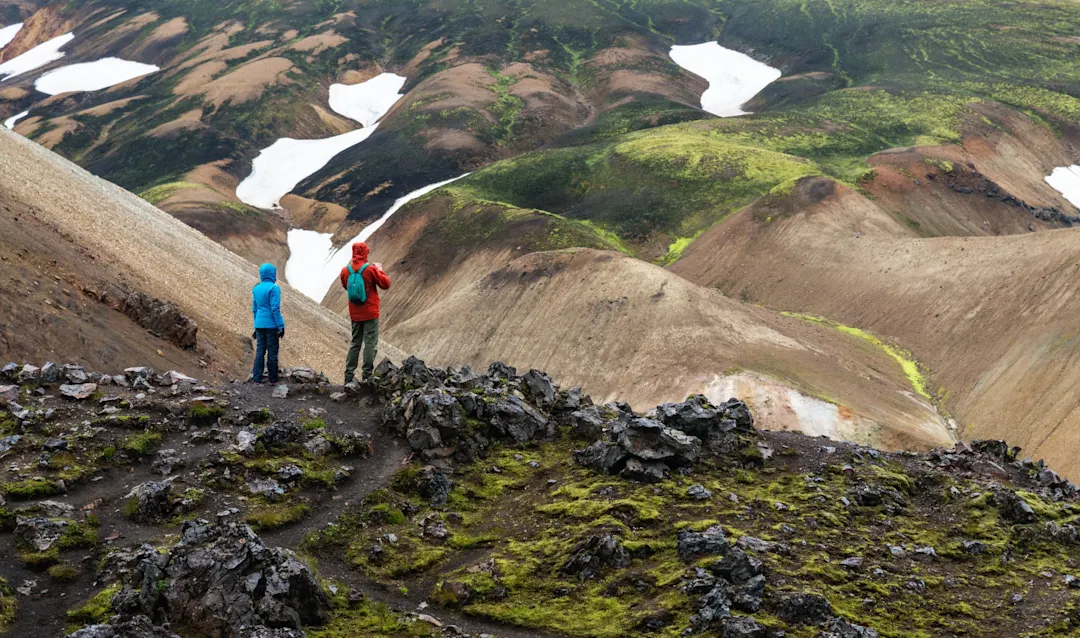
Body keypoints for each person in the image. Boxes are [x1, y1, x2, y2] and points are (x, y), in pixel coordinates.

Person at [340, 242, 390, 383]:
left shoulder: (345, 271)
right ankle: (366, 375)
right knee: (370, 343)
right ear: (365, 253)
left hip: (355, 313)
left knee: (355, 343)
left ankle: (349, 375)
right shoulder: (370, 269)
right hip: (370, 312)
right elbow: (385, 284)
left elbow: (346, 286)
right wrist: (379, 269)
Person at [251, 263, 285, 384]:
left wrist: (256, 326)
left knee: (260, 351)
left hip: (259, 324)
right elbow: (275, 308)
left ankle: (257, 378)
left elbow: (254, 309)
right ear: (272, 274)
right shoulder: (274, 288)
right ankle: (273, 379)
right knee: (272, 351)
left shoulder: (256, 288)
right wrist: (280, 326)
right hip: (271, 325)